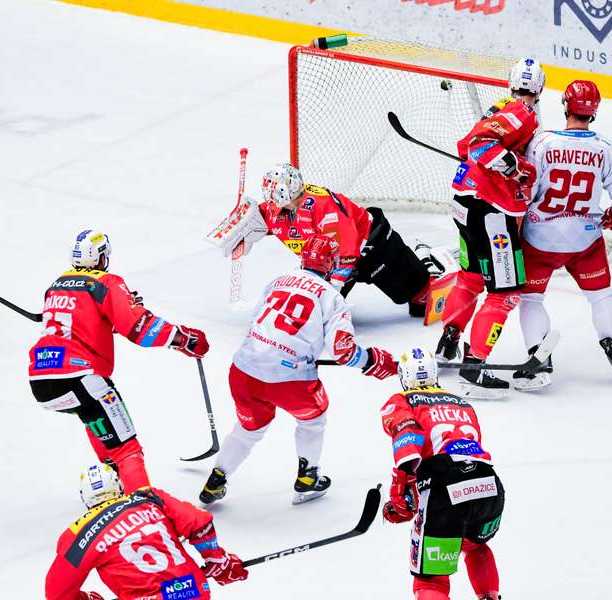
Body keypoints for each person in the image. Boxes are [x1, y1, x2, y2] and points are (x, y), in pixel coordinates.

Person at [199, 235, 397, 506]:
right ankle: (307, 478)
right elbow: (344, 352)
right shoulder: (332, 297)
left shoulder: (278, 280)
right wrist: (372, 360)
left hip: (243, 370)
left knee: (247, 430)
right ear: (331, 264)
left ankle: (216, 479)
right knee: (313, 421)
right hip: (289, 380)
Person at [28, 230, 209, 493]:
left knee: (96, 420)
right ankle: (143, 511)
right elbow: (138, 327)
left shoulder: (55, 285)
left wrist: (118, 311)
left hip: (42, 383)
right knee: (127, 450)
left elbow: (86, 325)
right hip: (81, 377)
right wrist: (185, 339)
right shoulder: (106, 283)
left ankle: (112, 491)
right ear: (101, 257)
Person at [207, 163, 456, 317]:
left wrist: (332, 291)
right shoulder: (274, 210)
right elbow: (256, 220)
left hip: (374, 248)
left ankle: (427, 260)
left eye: (273, 192)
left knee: (418, 301)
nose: (270, 198)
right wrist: (240, 223)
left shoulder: (321, 206)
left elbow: (347, 253)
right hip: (328, 261)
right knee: (315, 309)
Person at [435, 57, 545, 399]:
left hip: (464, 203)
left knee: (470, 275)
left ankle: (448, 341)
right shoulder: (522, 112)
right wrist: (516, 169)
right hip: (490, 212)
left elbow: (464, 144)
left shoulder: (500, 106)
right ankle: (474, 367)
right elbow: (479, 146)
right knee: (505, 292)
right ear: (540, 88)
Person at [516, 79, 612, 389]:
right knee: (601, 296)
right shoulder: (605, 148)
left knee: (531, 298)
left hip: (540, 239)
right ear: (594, 112)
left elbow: (524, 191)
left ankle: (539, 359)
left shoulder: (542, 144)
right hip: (585, 239)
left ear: (565, 105)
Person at [380, 348, 504, 600]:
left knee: (430, 580)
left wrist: (401, 495)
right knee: (475, 546)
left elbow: (408, 441)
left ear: (404, 377)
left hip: (447, 487)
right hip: (488, 483)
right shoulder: (462, 402)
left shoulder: (402, 400)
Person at [45, 463, 247, 600]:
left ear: (85, 498)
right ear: (118, 485)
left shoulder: (77, 535)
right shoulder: (148, 497)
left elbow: (56, 593)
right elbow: (198, 523)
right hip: (191, 590)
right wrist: (218, 560)